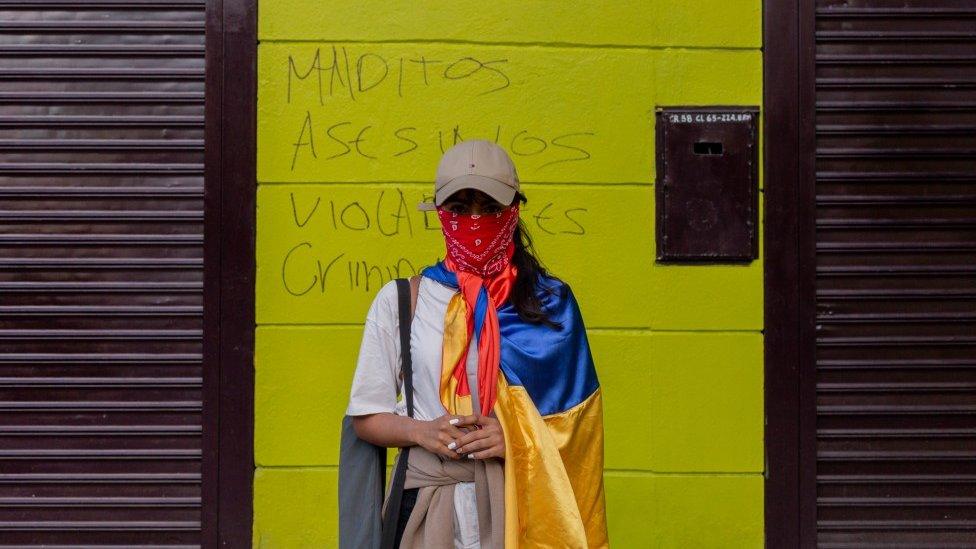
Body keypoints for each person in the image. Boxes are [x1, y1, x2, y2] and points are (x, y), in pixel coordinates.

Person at [344, 139, 609, 548]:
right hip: (425, 507)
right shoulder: (402, 301)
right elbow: (366, 417)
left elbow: (580, 432)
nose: (474, 220)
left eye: (489, 208)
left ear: (514, 211)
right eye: (459, 208)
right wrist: (420, 432)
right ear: (439, 214)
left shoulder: (550, 305)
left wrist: (514, 439)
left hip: (516, 507)